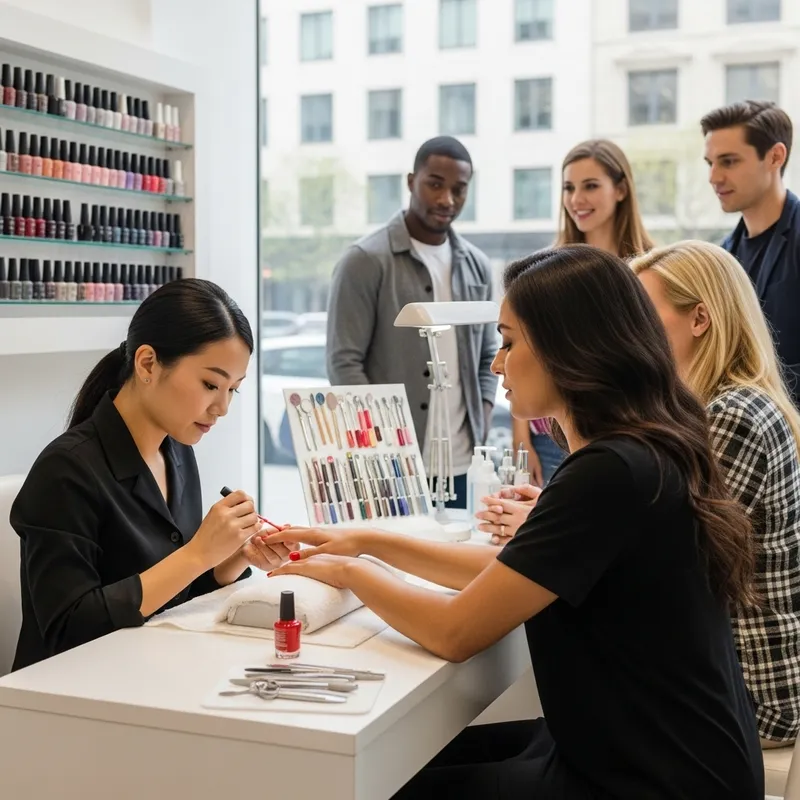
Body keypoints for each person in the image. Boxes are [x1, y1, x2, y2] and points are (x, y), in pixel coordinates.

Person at [267, 246, 764, 799]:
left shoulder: (611, 471)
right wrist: (365, 540)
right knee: (403, 763)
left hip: (655, 778)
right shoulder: (643, 448)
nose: (496, 364)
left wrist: (351, 573)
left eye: (508, 342)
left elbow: (455, 632)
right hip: (681, 754)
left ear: (568, 347)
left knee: (381, 783)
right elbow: (515, 566)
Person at [10, 279, 294, 670]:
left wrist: (226, 560)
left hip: (154, 672)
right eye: (211, 384)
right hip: (71, 695)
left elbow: (175, 594)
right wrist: (197, 554)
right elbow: (67, 628)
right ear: (147, 363)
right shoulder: (66, 470)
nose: (222, 408)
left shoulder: (177, 453)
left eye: (234, 390)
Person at [633, 240, 800, 749]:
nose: (631, 334)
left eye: (643, 315)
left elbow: (674, 561)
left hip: (755, 694)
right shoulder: (716, 407)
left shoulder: (734, 415)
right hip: (729, 674)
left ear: (699, 319)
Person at [326, 136, 497, 508]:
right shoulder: (365, 260)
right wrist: (384, 441)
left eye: (459, 189)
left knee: (452, 563)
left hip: (462, 463)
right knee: (387, 565)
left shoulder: (477, 265)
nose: (446, 200)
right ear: (410, 181)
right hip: (390, 464)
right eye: (435, 184)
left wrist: (480, 413)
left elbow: (488, 355)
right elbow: (344, 363)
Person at [513, 139, 655, 486]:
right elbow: (521, 346)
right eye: (568, 187)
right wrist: (522, 435)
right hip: (547, 431)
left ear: (621, 189)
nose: (577, 199)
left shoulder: (650, 268)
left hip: (614, 431)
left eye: (590, 186)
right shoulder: (546, 268)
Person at [701, 100, 800, 406]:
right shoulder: (720, 256)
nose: (714, 177)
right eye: (710, 163)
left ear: (775, 156)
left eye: (728, 162)